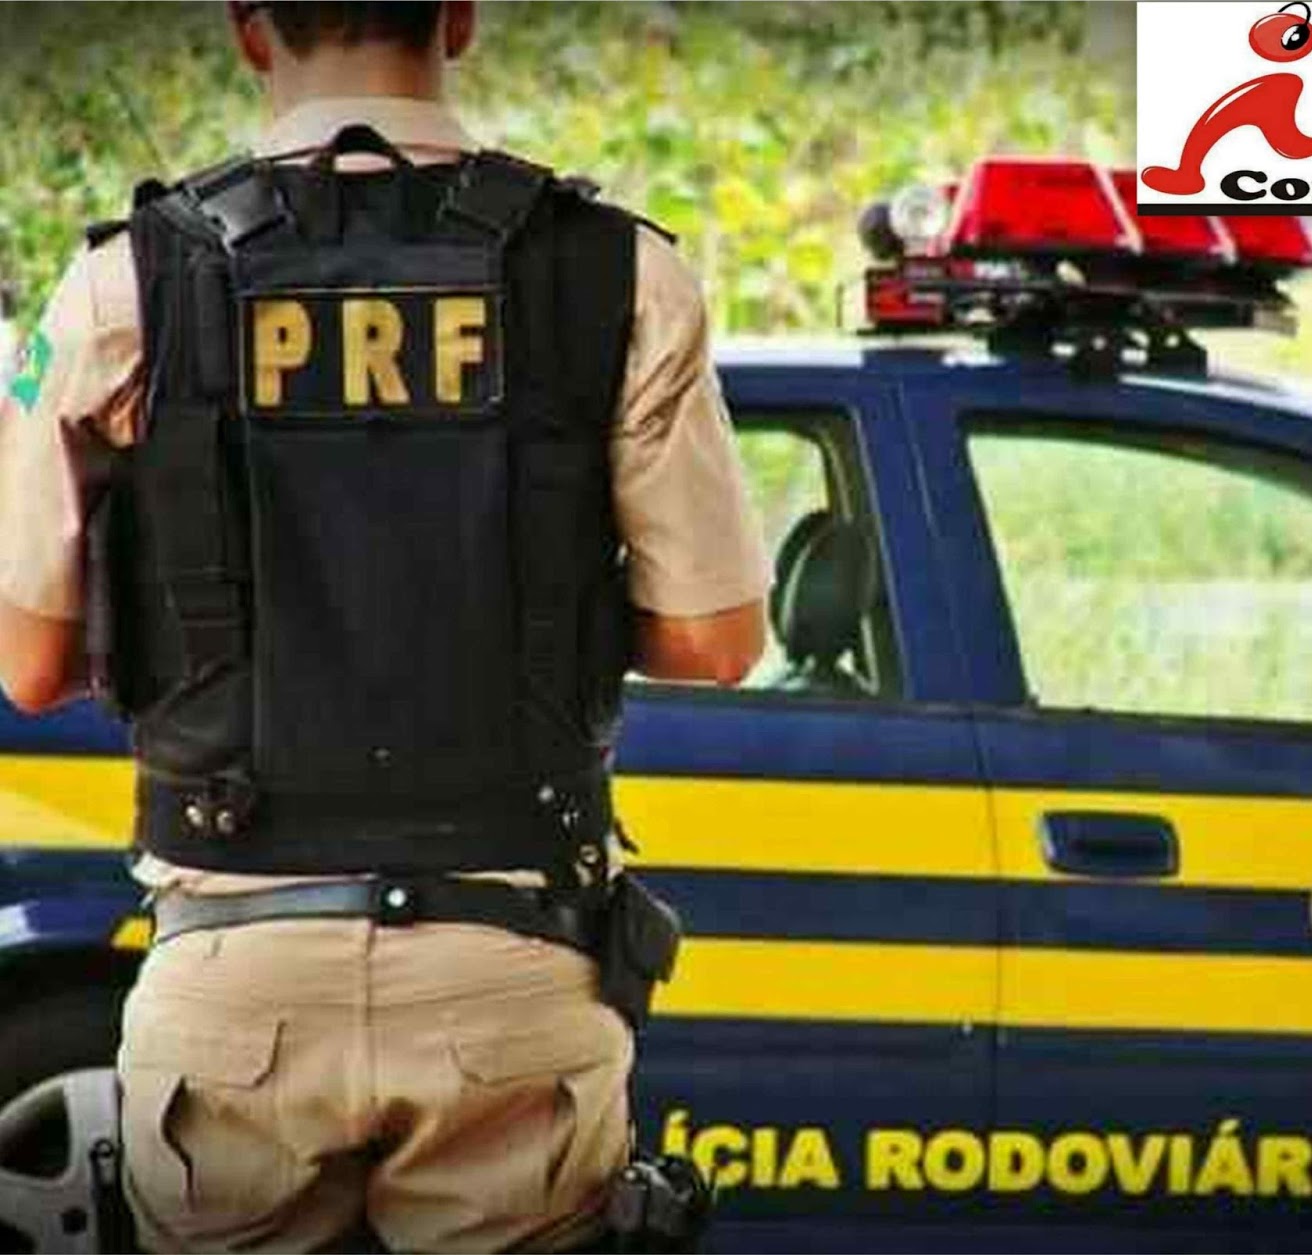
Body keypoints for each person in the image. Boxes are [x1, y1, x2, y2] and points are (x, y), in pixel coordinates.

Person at [0, 2, 769, 1250]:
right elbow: (718, 641)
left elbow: (29, 667)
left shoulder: (124, 282)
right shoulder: (616, 269)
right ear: (458, 19)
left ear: (250, 30)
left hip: (235, 972)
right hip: (509, 966)